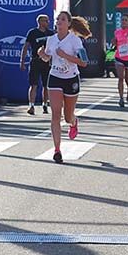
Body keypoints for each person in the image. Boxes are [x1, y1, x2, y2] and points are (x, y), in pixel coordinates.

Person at [38, 11, 91, 164]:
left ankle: (74, 122)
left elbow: (84, 62)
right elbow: (47, 57)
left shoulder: (75, 41)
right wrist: (42, 54)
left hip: (71, 79)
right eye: (57, 19)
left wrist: (65, 55)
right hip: (55, 78)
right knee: (55, 115)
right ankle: (57, 150)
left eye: (62, 19)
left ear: (68, 24)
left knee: (68, 116)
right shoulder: (51, 40)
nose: (59, 22)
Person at [20, 14, 54, 115]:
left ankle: (45, 105)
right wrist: (22, 61)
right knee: (33, 85)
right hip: (35, 60)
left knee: (46, 85)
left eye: (48, 21)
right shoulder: (32, 33)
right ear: (40, 22)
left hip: (47, 62)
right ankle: (31, 105)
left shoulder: (51, 33)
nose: (48, 23)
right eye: (45, 21)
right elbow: (26, 47)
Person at [113, 14, 128, 107]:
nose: (123, 21)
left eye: (125, 20)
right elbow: (115, 43)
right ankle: (121, 98)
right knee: (120, 78)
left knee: (127, 79)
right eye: (122, 20)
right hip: (119, 57)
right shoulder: (117, 32)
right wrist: (114, 42)